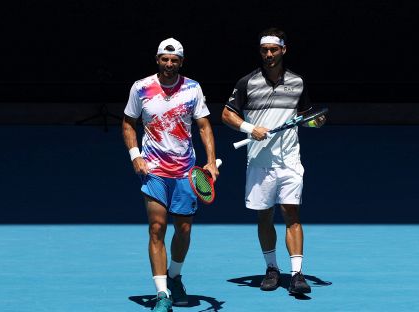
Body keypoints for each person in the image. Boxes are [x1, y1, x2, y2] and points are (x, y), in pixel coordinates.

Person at [221, 27, 326, 294]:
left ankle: (297, 274)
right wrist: (249, 128)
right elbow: (226, 115)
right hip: (258, 162)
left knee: (292, 213)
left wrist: (316, 122)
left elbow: (305, 116)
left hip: (290, 160)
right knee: (264, 216)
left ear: (283, 50)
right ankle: (271, 268)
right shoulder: (247, 82)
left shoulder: (298, 83)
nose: (269, 54)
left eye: (273, 50)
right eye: (264, 50)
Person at [122, 37, 219, 312]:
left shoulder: (192, 88)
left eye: (174, 60)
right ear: (157, 59)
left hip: (186, 172)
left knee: (184, 230)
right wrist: (135, 156)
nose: (169, 64)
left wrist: (211, 162)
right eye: (164, 59)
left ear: (180, 62)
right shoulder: (140, 88)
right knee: (156, 228)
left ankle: (175, 276)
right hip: (153, 171)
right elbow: (128, 123)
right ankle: (162, 292)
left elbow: (203, 127)